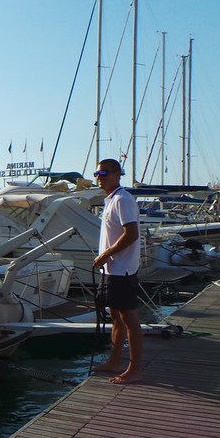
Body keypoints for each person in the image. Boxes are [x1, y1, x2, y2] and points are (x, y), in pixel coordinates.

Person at [91, 158, 145, 385]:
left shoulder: (123, 199)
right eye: (97, 173)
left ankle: (134, 368)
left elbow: (131, 233)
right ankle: (114, 360)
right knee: (115, 317)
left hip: (121, 270)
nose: (98, 178)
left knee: (129, 318)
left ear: (116, 174)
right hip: (111, 270)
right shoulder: (110, 200)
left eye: (103, 174)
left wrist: (106, 254)